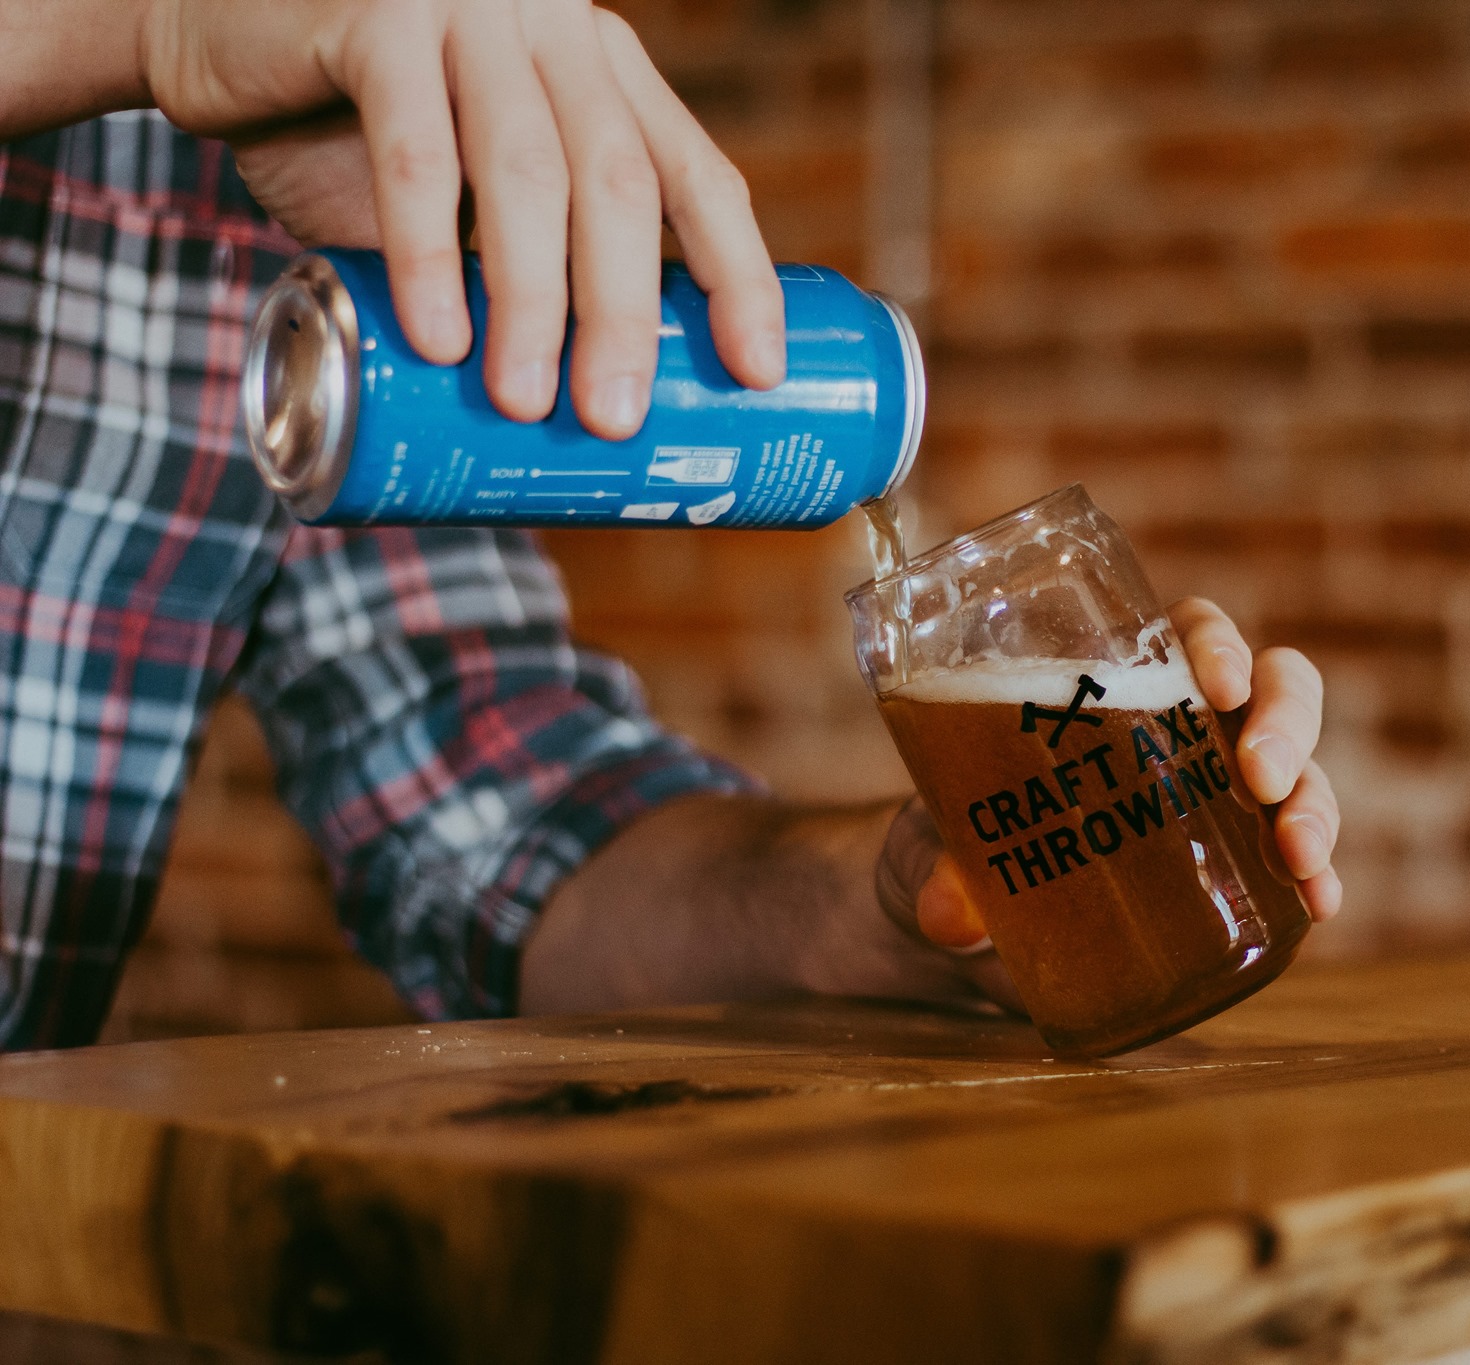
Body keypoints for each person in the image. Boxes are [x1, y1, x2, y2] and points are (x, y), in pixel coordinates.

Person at [0, 0, 1342, 1049]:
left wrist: (890, 908)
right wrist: (144, 25)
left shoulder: (284, 165)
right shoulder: (211, 50)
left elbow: (497, 809)